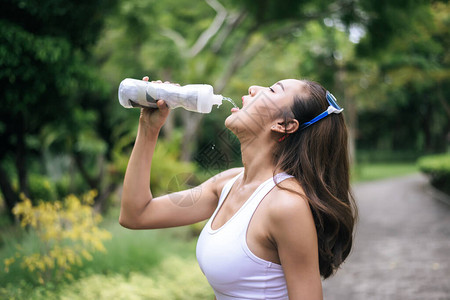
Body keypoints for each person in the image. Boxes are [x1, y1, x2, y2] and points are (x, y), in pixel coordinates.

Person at [119, 76, 357, 300]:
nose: (253, 88)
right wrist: (149, 129)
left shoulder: (286, 205)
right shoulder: (227, 183)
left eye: (273, 89)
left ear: (283, 124)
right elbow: (137, 214)